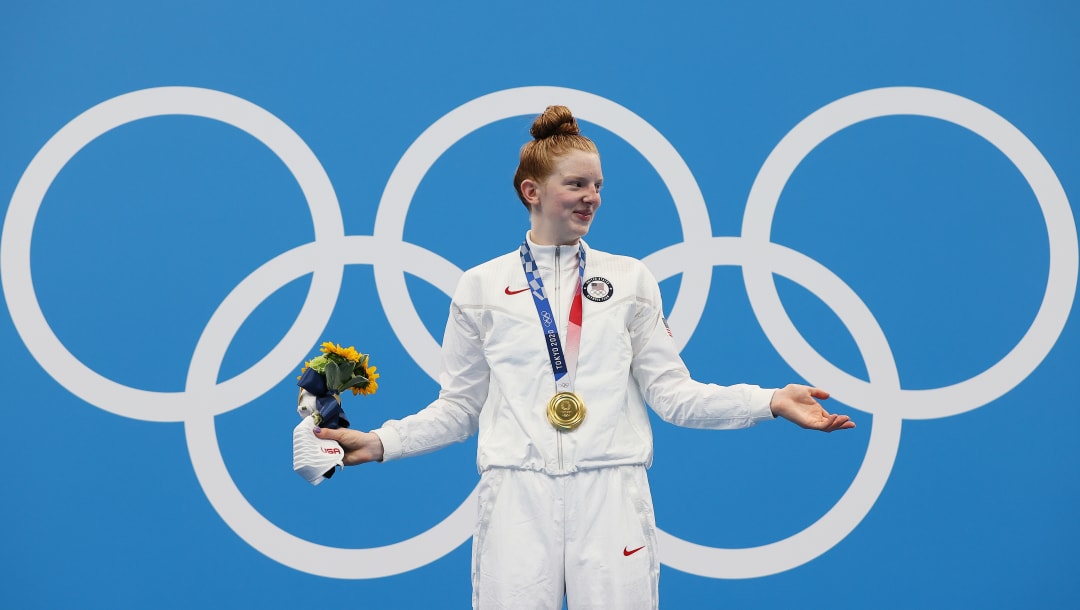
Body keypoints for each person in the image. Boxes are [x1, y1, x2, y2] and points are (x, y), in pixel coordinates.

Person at [312, 105, 855, 609]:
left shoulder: (630, 280)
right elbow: (458, 409)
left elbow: (674, 396)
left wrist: (771, 401)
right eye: (575, 184)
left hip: (612, 492)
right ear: (532, 191)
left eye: (597, 185)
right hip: (515, 495)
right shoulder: (480, 287)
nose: (591, 196)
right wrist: (382, 442)